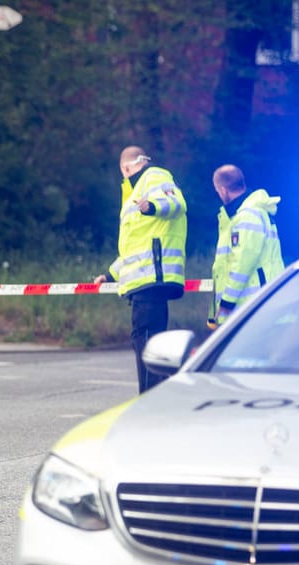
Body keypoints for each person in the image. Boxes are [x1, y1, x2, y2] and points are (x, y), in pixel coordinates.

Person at [94, 146, 188, 393]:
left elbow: (176, 204)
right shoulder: (133, 193)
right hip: (145, 280)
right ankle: (156, 398)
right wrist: (111, 274)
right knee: (148, 342)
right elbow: (134, 247)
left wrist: (153, 206)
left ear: (126, 167)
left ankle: (149, 401)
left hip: (152, 278)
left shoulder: (154, 176)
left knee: (146, 341)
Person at [209, 164, 283, 328]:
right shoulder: (249, 213)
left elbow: (242, 263)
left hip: (253, 305)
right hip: (256, 304)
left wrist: (226, 303)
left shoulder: (247, 216)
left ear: (223, 190)